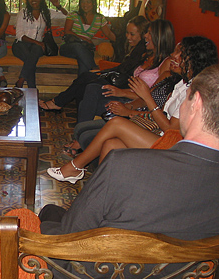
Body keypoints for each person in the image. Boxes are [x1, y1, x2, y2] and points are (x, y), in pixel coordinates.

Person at [39, 64, 219, 279]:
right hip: (185, 275)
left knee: (49, 214)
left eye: (185, 98)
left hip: (98, 273)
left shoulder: (124, 165)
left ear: (196, 103)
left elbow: (71, 238)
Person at [47, 36, 218, 183]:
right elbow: (161, 116)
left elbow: (170, 130)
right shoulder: (181, 83)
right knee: (111, 145)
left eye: (180, 54)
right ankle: (98, 192)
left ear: (194, 59)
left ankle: (76, 166)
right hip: (158, 135)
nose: (173, 55)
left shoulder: (195, 91)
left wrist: (147, 98)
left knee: (117, 124)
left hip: (171, 147)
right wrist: (133, 109)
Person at [39, 15, 149, 111]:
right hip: (118, 78)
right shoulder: (137, 48)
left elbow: (124, 71)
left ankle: (57, 103)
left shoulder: (142, 51)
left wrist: (101, 72)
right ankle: (64, 105)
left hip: (121, 84)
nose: (128, 37)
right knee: (85, 77)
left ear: (143, 34)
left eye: (132, 34)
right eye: (127, 33)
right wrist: (100, 72)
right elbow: (123, 68)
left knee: (86, 78)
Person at [59, 0, 116, 76]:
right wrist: (84, 39)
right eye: (83, 2)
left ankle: (80, 86)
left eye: (88, 2)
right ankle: (96, 70)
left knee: (83, 62)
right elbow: (67, 31)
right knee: (78, 47)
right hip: (68, 47)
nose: (85, 5)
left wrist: (123, 41)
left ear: (93, 3)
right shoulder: (73, 15)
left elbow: (108, 34)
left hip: (85, 49)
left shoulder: (99, 18)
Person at [12, 0, 51, 89]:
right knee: (31, 58)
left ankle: (21, 81)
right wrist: (37, 42)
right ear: (27, 0)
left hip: (36, 48)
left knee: (34, 53)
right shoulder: (23, 12)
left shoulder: (46, 13)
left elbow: (65, 14)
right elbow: (19, 35)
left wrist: (58, 6)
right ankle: (32, 89)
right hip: (20, 45)